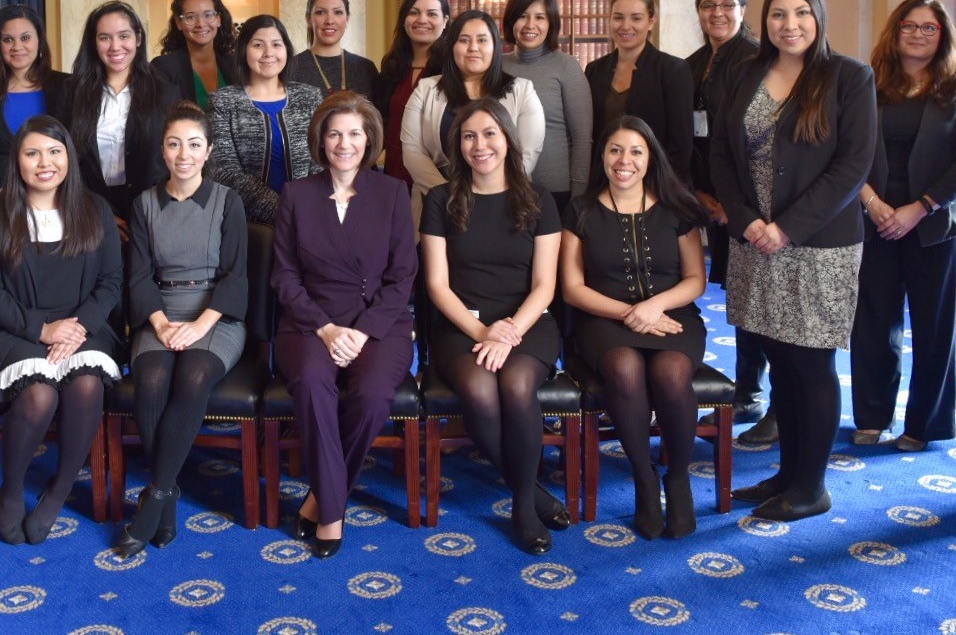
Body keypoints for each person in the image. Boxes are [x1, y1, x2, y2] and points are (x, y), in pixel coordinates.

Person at [708, 0, 876, 522]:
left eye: (801, 13)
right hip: (755, 240)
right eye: (778, 14)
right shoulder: (746, 72)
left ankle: (812, 486)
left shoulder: (849, 77)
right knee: (779, 359)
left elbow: (852, 168)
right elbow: (722, 158)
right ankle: (786, 473)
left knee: (811, 363)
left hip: (817, 245)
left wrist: (788, 228)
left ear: (819, 18)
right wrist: (748, 221)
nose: (790, 25)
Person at [271, 93, 418, 558]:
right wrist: (327, 329)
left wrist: (361, 330)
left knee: (374, 394)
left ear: (370, 138)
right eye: (335, 133)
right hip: (309, 321)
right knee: (314, 384)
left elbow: (402, 277)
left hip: (379, 321)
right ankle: (333, 515)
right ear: (320, 138)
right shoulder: (297, 194)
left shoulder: (393, 192)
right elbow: (285, 276)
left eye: (355, 133)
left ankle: (320, 497)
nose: (345, 143)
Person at [422, 99, 568, 554]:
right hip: (461, 325)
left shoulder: (539, 198)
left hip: (528, 321)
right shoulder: (440, 199)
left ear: (507, 138)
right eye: (468, 136)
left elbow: (545, 285)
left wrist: (510, 331)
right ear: (457, 145)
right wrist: (483, 333)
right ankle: (532, 495)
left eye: (489, 134)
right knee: (481, 388)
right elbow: (437, 285)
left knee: (518, 385)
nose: (479, 145)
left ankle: (522, 506)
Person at [0, 116, 122, 544]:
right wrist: (43, 329)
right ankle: (11, 489)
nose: (45, 163)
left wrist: (75, 328)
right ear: (17, 161)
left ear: (69, 157)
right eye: (32, 153)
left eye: (55, 152)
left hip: (83, 324)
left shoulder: (94, 209)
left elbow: (110, 282)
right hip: (14, 329)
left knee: (87, 383)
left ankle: (58, 490)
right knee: (40, 393)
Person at [561, 116, 708, 539]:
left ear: (650, 159)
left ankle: (676, 479)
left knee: (670, 372)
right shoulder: (580, 210)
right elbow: (572, 288)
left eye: (636, 151)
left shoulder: (677, 207)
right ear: (602, 156)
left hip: (672, 314)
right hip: (604, 318)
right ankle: (644, 478)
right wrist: (631, 313)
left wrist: (654, 305)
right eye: (615, 150)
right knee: (624, 368)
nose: (624, 160)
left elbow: (695, 279)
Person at [114, 102, 248, 559]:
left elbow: (235, 276)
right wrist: (161, 324)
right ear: (163, 150)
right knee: (150, 381)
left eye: (194, 144)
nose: (184, 154)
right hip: (161, 310)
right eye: (174, 144)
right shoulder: (145, 203)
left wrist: (198, 327)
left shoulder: (228, 201)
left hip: (215, 315)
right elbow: (137, 277)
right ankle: (167, 495)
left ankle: (154, 494)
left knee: (192, 376)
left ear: (208, 151)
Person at [852, 0, 956, 452]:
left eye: (929, 28)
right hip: (876, 221)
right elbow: (850, 153)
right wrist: (871, 202)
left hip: (934, 226)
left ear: (943, 35)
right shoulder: (867, 86)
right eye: (910, 26)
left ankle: (924, 425)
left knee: (934, 328)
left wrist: (920, 207)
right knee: (872, 324)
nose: (918, 34)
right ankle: (871, 416)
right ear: (895, 31)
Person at [684, 0, 770, 438]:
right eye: (707, 6)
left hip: (747, 200)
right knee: (739, 295)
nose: (717, 13)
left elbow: (748, 141)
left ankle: (756, 392)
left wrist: (730, 204)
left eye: (727, 5)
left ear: (743, 9)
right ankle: (748, 387)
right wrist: (701, 196)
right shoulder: (695, 63)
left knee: (758, 296)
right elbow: (689, 136)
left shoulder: (755, 60)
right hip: (708, 196)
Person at [402, 9, 544, 227]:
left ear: (495, 47)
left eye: (482, 40)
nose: (473, 48)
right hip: (438, 205)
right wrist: (450, 197)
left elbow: (527, 154)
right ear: (452, 47)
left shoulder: (522, 91)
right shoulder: (426, 89)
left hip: (504, 205)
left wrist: (490, 195)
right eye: (464, 40)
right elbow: (412, 153)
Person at [58, 0, 180, 233]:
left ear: (138, 39)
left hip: (153, 213)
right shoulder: (72, 92)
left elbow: (172, 159)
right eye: (105, 38)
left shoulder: (165, 92)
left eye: (124, 36)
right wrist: (99, 214)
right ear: (94, 43)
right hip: (90, 213)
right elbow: (65, 156)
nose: (115, 46)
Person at [208, 15, 322, 225]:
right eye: (258, 45)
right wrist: (283, 213)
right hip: (247, 225)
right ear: (244, 50)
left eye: (276, 44)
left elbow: (320, 161)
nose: (269, 53)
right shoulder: (223, 102)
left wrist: (306, 211)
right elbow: (225, 172)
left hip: (309, 219)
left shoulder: (309, 98)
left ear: (286, 50)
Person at [586, 0, 694, 185]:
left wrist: (661, 189)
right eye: (618, 18)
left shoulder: (673, 69)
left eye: (636, 18)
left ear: (651, 22)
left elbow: (681, 145)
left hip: (658, 185)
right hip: (606, 182)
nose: (625, 26)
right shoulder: (594, 70)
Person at [502, 0, 593, 212]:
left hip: (557, 193)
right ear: (511, 21)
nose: (530, 25)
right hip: (504, 188)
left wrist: (579, 198)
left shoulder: (566, 66)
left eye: (540, 17)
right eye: (522, 16)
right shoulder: (497, 66)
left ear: (551, 23)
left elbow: (582, 138)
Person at [0, 4, 70, 180]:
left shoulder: (67, 85)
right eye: (8, 39)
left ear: (39, 40)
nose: (17, 46)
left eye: (25, 38)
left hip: (58, 194)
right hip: (1, 195)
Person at [374, 0, 449, 185]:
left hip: (438, 181)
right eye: (414, 12)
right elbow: (383, 125)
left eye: (432, 14)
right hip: (394, 176)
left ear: (445, 21)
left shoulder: (452, 71)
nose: (422, 20)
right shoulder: (391, 68)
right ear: (404, 20)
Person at [150, 0, 240, 109]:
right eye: (191, 17)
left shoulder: (236, 64)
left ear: (218, 19)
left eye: (208, 15)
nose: (201, 24)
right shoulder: (163, 68)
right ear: (179, 23)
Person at [290, 0, 380, 99]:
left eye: (337, 12)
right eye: (321, 12)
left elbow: (378, 116)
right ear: (308, 19)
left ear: (347, 19)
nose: (329, 20)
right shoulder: (293, 67)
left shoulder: (366, 68)